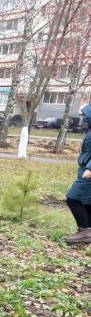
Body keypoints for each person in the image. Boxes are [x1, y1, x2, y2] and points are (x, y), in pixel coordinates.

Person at [64, 103, 91, 244]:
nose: (85, 118)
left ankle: (85, 231)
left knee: (73, 197)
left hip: (89, 172)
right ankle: (88, 231)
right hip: (84, 169)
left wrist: (89, 169)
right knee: (86, 201)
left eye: (87, 116)